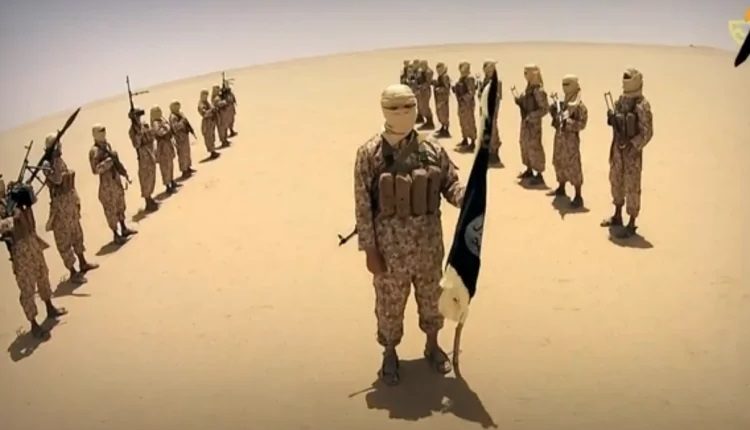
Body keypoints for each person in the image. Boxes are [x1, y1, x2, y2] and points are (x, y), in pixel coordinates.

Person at [353, 83, 466, 385]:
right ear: (383, 110)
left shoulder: (432, 149)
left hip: (429, 248)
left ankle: (432, 345)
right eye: (395, 107)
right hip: (390, 253)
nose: (402, 113)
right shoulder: (369, 154)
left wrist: (468, 196)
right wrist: (370, 251)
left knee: (432, 301)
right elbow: (362, 206)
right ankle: (390, 353)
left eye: (408, 106)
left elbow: (450, 185)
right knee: (389, 307)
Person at [1, 175, 67, 340]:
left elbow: (31, 201)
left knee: (42, 273)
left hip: (31, 240)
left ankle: (49, 306)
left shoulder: (11, 196)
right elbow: (4, 228)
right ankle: (33, 323)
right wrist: (11, 217)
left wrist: (23, 192)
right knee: (27, 286)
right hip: (19, 250)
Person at [600, 68, 654, 238]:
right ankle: (617, 215)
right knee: (616, 181)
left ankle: (631, 223)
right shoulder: (622, 100)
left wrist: (633, 144)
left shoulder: (642, 105)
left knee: (632, 186)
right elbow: (617, 119)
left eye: (628, 78)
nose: (625, 81)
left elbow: (647, 132)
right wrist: (612, 119)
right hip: (617, 149)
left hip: (632, 154)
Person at [41, 134, 99, 283]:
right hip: (60, 208)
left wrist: (77, 199)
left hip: (70, 203)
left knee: (77, 233)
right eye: (58, 145)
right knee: (64, 239)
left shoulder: (59, 160)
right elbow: (57, 179)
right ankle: (73, 272)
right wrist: (54, 159)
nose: (61, 148)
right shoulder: (47, 164)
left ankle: (83, 262)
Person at [89, 124, 137, 244]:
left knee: (120, 204)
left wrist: (122, 171)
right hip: (106, 184)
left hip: (115, 180)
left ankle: (124, 228)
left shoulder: (107, 145)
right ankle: (116, 234)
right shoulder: (94, 151)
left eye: (104, 130)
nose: (103, 133)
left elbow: (116, 162)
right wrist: (108, 162)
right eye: (101, 131)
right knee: (110, 209)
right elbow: (95, 170)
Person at [550, 75, 588, 207]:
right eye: (563, 84)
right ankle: (561, 187)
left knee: (574, 166)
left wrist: (568, 123)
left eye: (568, 84)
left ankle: (578, 195)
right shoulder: (563, 102)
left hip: (571, 141)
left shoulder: (579, 106)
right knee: (559, 162)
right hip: (559, 138)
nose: (564, 87)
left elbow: (582, 124)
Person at [514, 64, 549, 184]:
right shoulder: (528, 89)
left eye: (526, 73)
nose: (525, 75)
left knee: (535, 147)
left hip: (534, 125)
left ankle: (539, 174)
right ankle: (529, 169)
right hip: (525, 122)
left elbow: (545, 109)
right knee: (524, 144)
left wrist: (532, 116)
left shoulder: (539, 91)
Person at [129, 108, 159, 212]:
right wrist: (139, 134)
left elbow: (152, 134)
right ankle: (147, 200)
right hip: (143, 154)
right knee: (145, 177)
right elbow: (136, 144)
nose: (138, 118)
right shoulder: (132, 130)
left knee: (152, 175)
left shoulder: (144, 124)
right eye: (136, 116)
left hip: (150, 150)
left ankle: (150, 197)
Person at [477, 60, 503, 166]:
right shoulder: (484, 81)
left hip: (492, 109)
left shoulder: (497, 81)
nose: (489, 70)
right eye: (487, 68)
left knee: (493, 130)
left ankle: (495, 153)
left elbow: (498, 97)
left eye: (491, 68)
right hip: (484, 108)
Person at [150, 106, 180, 194]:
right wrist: (166, 127)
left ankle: (172, 181)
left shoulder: (162, 120)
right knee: (165, 167)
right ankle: (167, 185)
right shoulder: (155, 123)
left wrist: (166, 126)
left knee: (170, 164)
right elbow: (161, 132)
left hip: (167, 144)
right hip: (162, 147)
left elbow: (169, 128)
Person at [452, 61, 478, 153]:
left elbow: (471, 92)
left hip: (467, 105)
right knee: (463, 121)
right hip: (461, 104)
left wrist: (463, 98)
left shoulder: (470, 78)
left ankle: (473, 142)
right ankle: (465, 139)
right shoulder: (462, 78)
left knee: (469, 121)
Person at [169, 100, 197, 180]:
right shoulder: (173, 117)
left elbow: (186, 122)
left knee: (187, 152)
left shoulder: (180, 113)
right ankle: (184, 170)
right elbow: (175, 127)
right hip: (179, 137)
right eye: (176, 105)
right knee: (182, 154)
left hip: (184, 135)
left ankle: (188, 167)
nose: (178, 107)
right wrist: (182, 122)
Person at [197, 89, 220, 160]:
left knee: (212, 136)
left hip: (211, 121)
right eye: (204, 95)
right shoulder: (201, 104)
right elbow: (204, 113)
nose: (206, 96)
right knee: (208, 137)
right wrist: (211, 110)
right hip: (207, 122)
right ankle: (212, 152)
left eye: (207, 95)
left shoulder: (206, 102)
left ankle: (213, 150)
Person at [432, 62, 452, 137]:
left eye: (440, 69)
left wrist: (439, 89)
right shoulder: (440, 77)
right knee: (440, 114)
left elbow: (447, 88)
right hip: (439, 98)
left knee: (444, 114)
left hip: (443, 99)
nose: (438, 71)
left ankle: (446, 130)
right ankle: (443, 127)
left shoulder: (445, 77)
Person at [415, 60, 435, 130]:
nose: (421, 67)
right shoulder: (421, 71)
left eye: (422, 65)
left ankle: (430, 122)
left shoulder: (429, 72)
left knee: (425, 106)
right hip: (421, 91)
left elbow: (427, 83)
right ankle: (425, 120)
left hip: (425, 91)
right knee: (421, 106)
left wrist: (420, 87)